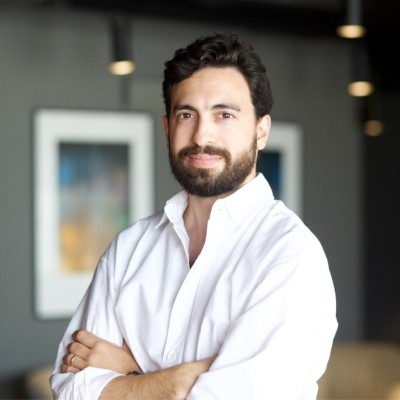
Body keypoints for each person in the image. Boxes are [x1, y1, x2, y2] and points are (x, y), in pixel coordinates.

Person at [50, 32, 338, 400]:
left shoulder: (289, 258)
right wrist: (181, 380)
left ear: (261, 130)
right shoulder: (129, 249)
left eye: (224, 114)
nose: (202, 135)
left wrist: (131, 371)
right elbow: (69, 389)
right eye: (187, 114)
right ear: (167, 127)